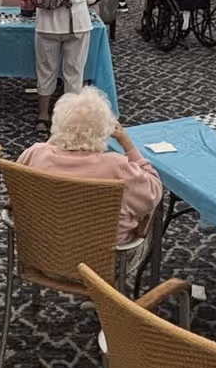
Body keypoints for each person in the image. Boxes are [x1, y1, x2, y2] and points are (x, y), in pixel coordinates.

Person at [18, 87, 161, 278]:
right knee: (154, 212)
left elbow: (16, 197)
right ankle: (114, 299)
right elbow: (154, 193)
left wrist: (64, 131)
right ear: (106, 130)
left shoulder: (34, 154)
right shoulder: (118, 167)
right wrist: (129, 145)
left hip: (42, 255)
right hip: (105, 265)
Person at [31, 0, 97, 129]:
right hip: (76, 23)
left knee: (45, 70)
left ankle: (43, 116)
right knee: (74, 72)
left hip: (46, 24)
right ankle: (68, 121)